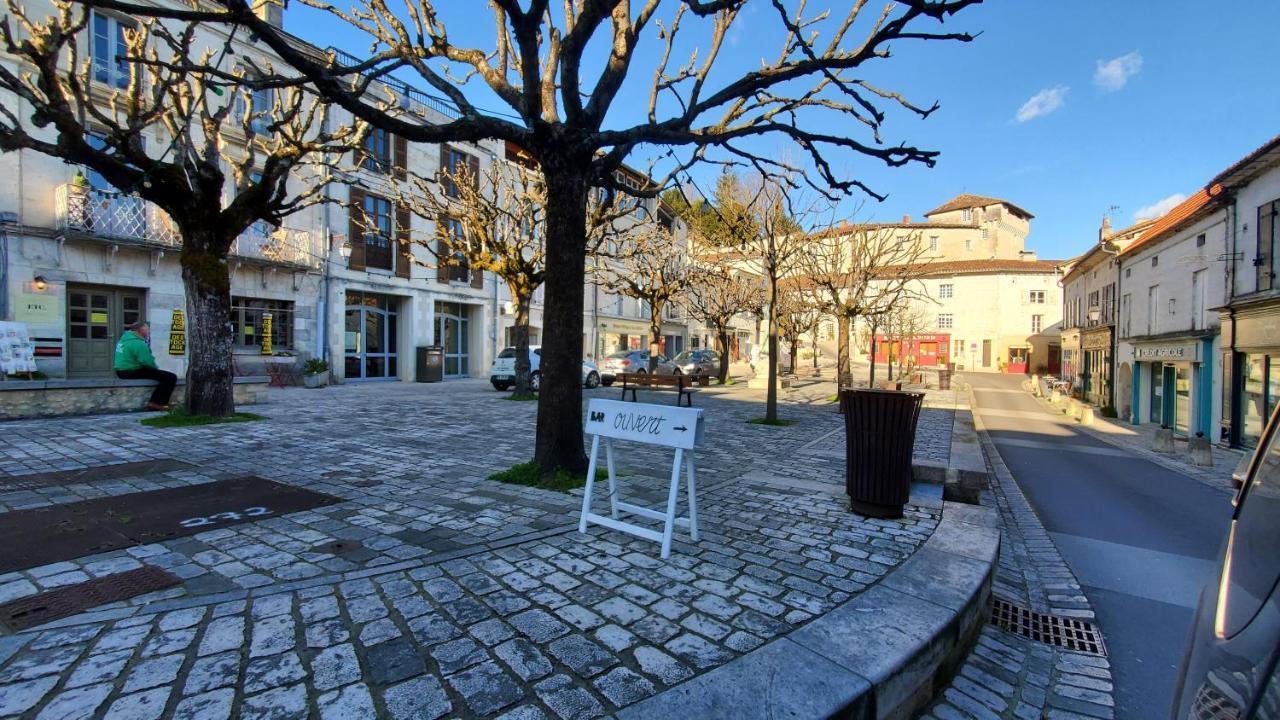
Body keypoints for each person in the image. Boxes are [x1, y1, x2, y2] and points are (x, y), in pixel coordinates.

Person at [114, 320, 176, 410]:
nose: (148, 332)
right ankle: (156, 403)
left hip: (121, 371)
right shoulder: (138, 343)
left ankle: (155, 403)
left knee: (159, 375)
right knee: (170, 377)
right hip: (131, 371)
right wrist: (155, 370)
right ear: (140, 330)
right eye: (147, 330)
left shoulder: (124, 340)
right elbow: (147, 362)